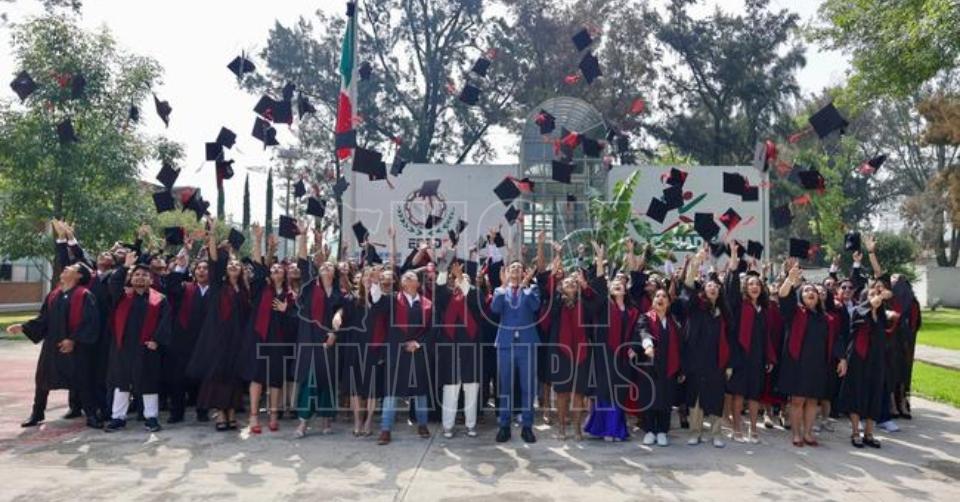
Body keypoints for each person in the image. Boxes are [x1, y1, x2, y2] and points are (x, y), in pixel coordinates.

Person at [9, 252, 100, 428]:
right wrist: (24, 327)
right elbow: (44, 319)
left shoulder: (84, 295)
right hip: (52, 346)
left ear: (79, 275)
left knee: (82, 380)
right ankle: (37, 413)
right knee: (43, 379)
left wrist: (73, 340)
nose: (66, 268)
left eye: (71, 267)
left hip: (75, 348)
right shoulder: (53, 295)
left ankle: (91, 414)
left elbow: (90, 323)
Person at [187, 220, 250, 431]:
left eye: (236, 264)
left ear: (241, 270)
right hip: (218, 339)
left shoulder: (244, 290)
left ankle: (231, 412)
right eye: (230, 264)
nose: (233, 266)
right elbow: (214, 259)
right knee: (219, 375)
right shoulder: (217, 285)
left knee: (234, 377)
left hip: (237, 339)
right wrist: (212, 235)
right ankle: (221, 414)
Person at [104, 253, 172, 433]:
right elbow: (114, 283)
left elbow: (165, 322)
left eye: (144, 275)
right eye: (137, 274)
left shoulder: (159, 299)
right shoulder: (122, 296)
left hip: (147, 348)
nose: (140, 277)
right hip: (123, 348)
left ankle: (151, 418)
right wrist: (125, 266)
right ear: (131, 278)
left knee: (149, 383)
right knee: (122, 383)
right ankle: (118, 418)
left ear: (151, 279)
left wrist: (156, 340)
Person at [237, 225, 296, 434]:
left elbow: (295, 321)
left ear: (285, 273)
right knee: (257, 377)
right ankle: (253, 416)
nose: (275, 270)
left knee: (275, 379)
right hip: (258, 338)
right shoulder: (261, 288)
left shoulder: (290, 296)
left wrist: (286, 310)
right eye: (273, 269)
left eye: (279, 268)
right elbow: (257, 264)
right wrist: (257, 239)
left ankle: (273, 415)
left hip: (279, 341)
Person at [777, 261, 838, 447]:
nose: (810, 293)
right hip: (798, 364)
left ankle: (808, 433)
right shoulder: (795, 312)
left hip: (818, 365)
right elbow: (783, 295)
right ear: (800, 296)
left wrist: (841, 359)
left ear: (819, 297)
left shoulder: (826, 318)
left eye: (813, 291)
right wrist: (790, 279)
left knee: (813, 401)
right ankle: (796, 434)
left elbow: (834, 341)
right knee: (797, 400)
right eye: (806, 291)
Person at [292, 223, 344, 438]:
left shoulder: (339, 294)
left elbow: (343, 314)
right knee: (310, 381)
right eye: (323, 266)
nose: (325, 267)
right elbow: (304, 262)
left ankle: (326, 421)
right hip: (309, 339)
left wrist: (334, 333)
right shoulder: (310, 286)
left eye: (330, 266)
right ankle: (303, 424)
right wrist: (305, 236)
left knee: (327, 380)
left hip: (328, 342)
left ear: (334, 272)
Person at [584, 250, 641, 443]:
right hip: (605, 353)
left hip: (623, 356)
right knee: (605, 390)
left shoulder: (632, 311)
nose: (617, 285)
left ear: (625, 289)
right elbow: (599, 285)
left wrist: (634, 347)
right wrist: (600, 260)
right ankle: (604, 428)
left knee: (619, 391)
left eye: (620, 284)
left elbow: (637, 331)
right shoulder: (604, 306)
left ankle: (616, 428)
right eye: (614, 284)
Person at [677, 249, 730, 448]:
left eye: (716, 286)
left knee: (716, 397)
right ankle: (695, 432)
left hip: (716, 361)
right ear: (703, 289)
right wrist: (695, 264)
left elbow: (730, 338)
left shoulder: (724, 311)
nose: (713, 288)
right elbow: (688, 286)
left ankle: (716, 433)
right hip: (695, 360)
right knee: (696, 398)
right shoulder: (695, 306)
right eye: (709, 285)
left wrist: (729, 364)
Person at [373, 270, 434, 445]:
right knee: (391, 391)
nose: (407, 278)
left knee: (420, 390)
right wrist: (375, 284)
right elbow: (377, 303)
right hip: (396, 351)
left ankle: (422, 424)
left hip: (418, 352)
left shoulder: (428, 304)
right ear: (401, 283)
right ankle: (386, 429)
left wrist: (418, 343)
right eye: (405, 277)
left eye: (411, 277)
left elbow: (433, 329)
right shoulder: (392, 299)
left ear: (418, 284)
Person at [724, 245, 776, 443]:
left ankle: (753, 430)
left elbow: (766, 336)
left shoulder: (764, 309)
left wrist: (769, 357)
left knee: (754, 396)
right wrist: (734, 258)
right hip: (739, 356)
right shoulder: (739, 305)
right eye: (751, 284)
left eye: (757, 284)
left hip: (757, 357)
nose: (754, 286)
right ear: (745, 288)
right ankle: (737, 428)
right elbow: (730, 288)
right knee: (738, 395)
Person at [490, 260, 540, 443]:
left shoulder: (532, 289)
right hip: (506, 344)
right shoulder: (500, 290)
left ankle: (527, 427)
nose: (517, 270)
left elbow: (535, 307)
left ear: (524, 272)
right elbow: (495, 309)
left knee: (528, 387)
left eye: (520, 268)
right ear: (507, 272)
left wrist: (525, 285)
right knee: (505, 386)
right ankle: (504, 426)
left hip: (526, 344)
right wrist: (503, 285)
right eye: (513, 267)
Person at [434, 258, 484, 439]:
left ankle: (471, 425)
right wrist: (444, 263)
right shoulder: (446, 296)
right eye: (457, 277)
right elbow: (439, 286)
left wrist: (461, 278)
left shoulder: (476, 295)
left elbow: (473, 297)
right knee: (451, 389)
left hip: (471, 348)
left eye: (465, 278)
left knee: (471, 388)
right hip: (451, 348)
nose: (461, 279)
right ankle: (448, 426)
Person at [163, 238, 212, 423]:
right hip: (182, 340)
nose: (202, 271)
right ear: (193, 272)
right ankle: (176, 412)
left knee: (204, 378)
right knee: (178, 378)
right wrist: (180, 265)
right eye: (199, 268)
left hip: (206, 340)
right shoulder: (186, 288)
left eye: (205, 268)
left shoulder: (216, 291)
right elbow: (171, 288)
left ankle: (202, 410)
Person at [837, 283, 888, 448]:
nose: (876, 298)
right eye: (872, 294)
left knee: (875, 393)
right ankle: (855, 432)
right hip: (858, 358)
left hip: (876, 360)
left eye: (877, 295)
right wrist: (879, 296)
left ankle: (869, 433)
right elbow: (863, 310)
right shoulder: (857, 312)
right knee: (856, 394)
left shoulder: (881, 316)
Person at [636, 287, 683, 447]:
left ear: (668, 302)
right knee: (650, 397)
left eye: (664, 296)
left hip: (669, 366)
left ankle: (662, 431)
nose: (660, 298)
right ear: (653, 300)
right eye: (657, 296)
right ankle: (650, 430)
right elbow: (643, 331)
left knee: (666, 399)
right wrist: (648, 345)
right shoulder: (645, 317)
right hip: (650, 365)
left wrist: (681, 368)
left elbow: (680, 345)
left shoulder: (673, 322)